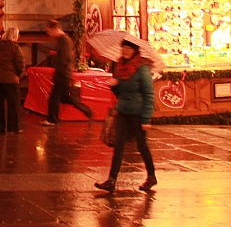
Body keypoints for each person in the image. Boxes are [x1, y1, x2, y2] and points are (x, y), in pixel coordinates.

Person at [96, 39, 157, 193]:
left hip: (138, 112)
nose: (125, 51)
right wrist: (114, 86)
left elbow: (149, 94)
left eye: (128, 49)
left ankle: (151, 176)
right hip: (122, 110)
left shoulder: (142, 68)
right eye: (123, 48)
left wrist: (146, 118)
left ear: (135, 50)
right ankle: (111, 180)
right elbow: (119, 93)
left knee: (142, 146)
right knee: (118, 146)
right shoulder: (119, 65)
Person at [43, 19, 93, 125]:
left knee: (55, 97)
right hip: (64, 73)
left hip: (63, 73)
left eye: (49, 31)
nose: (49, 34)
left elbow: (65, 58)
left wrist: (62, 72)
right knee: (66, 97)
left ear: (54, 29)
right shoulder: (63, 40)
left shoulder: (63, 40)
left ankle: (52, 119)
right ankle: (86, 110)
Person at [0, 26, 25, 134]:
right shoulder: (16, 48)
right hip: (10, 80)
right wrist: (18, 75)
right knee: (13, 105)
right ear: (15, 36)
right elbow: (20, 65)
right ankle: (13, 127)